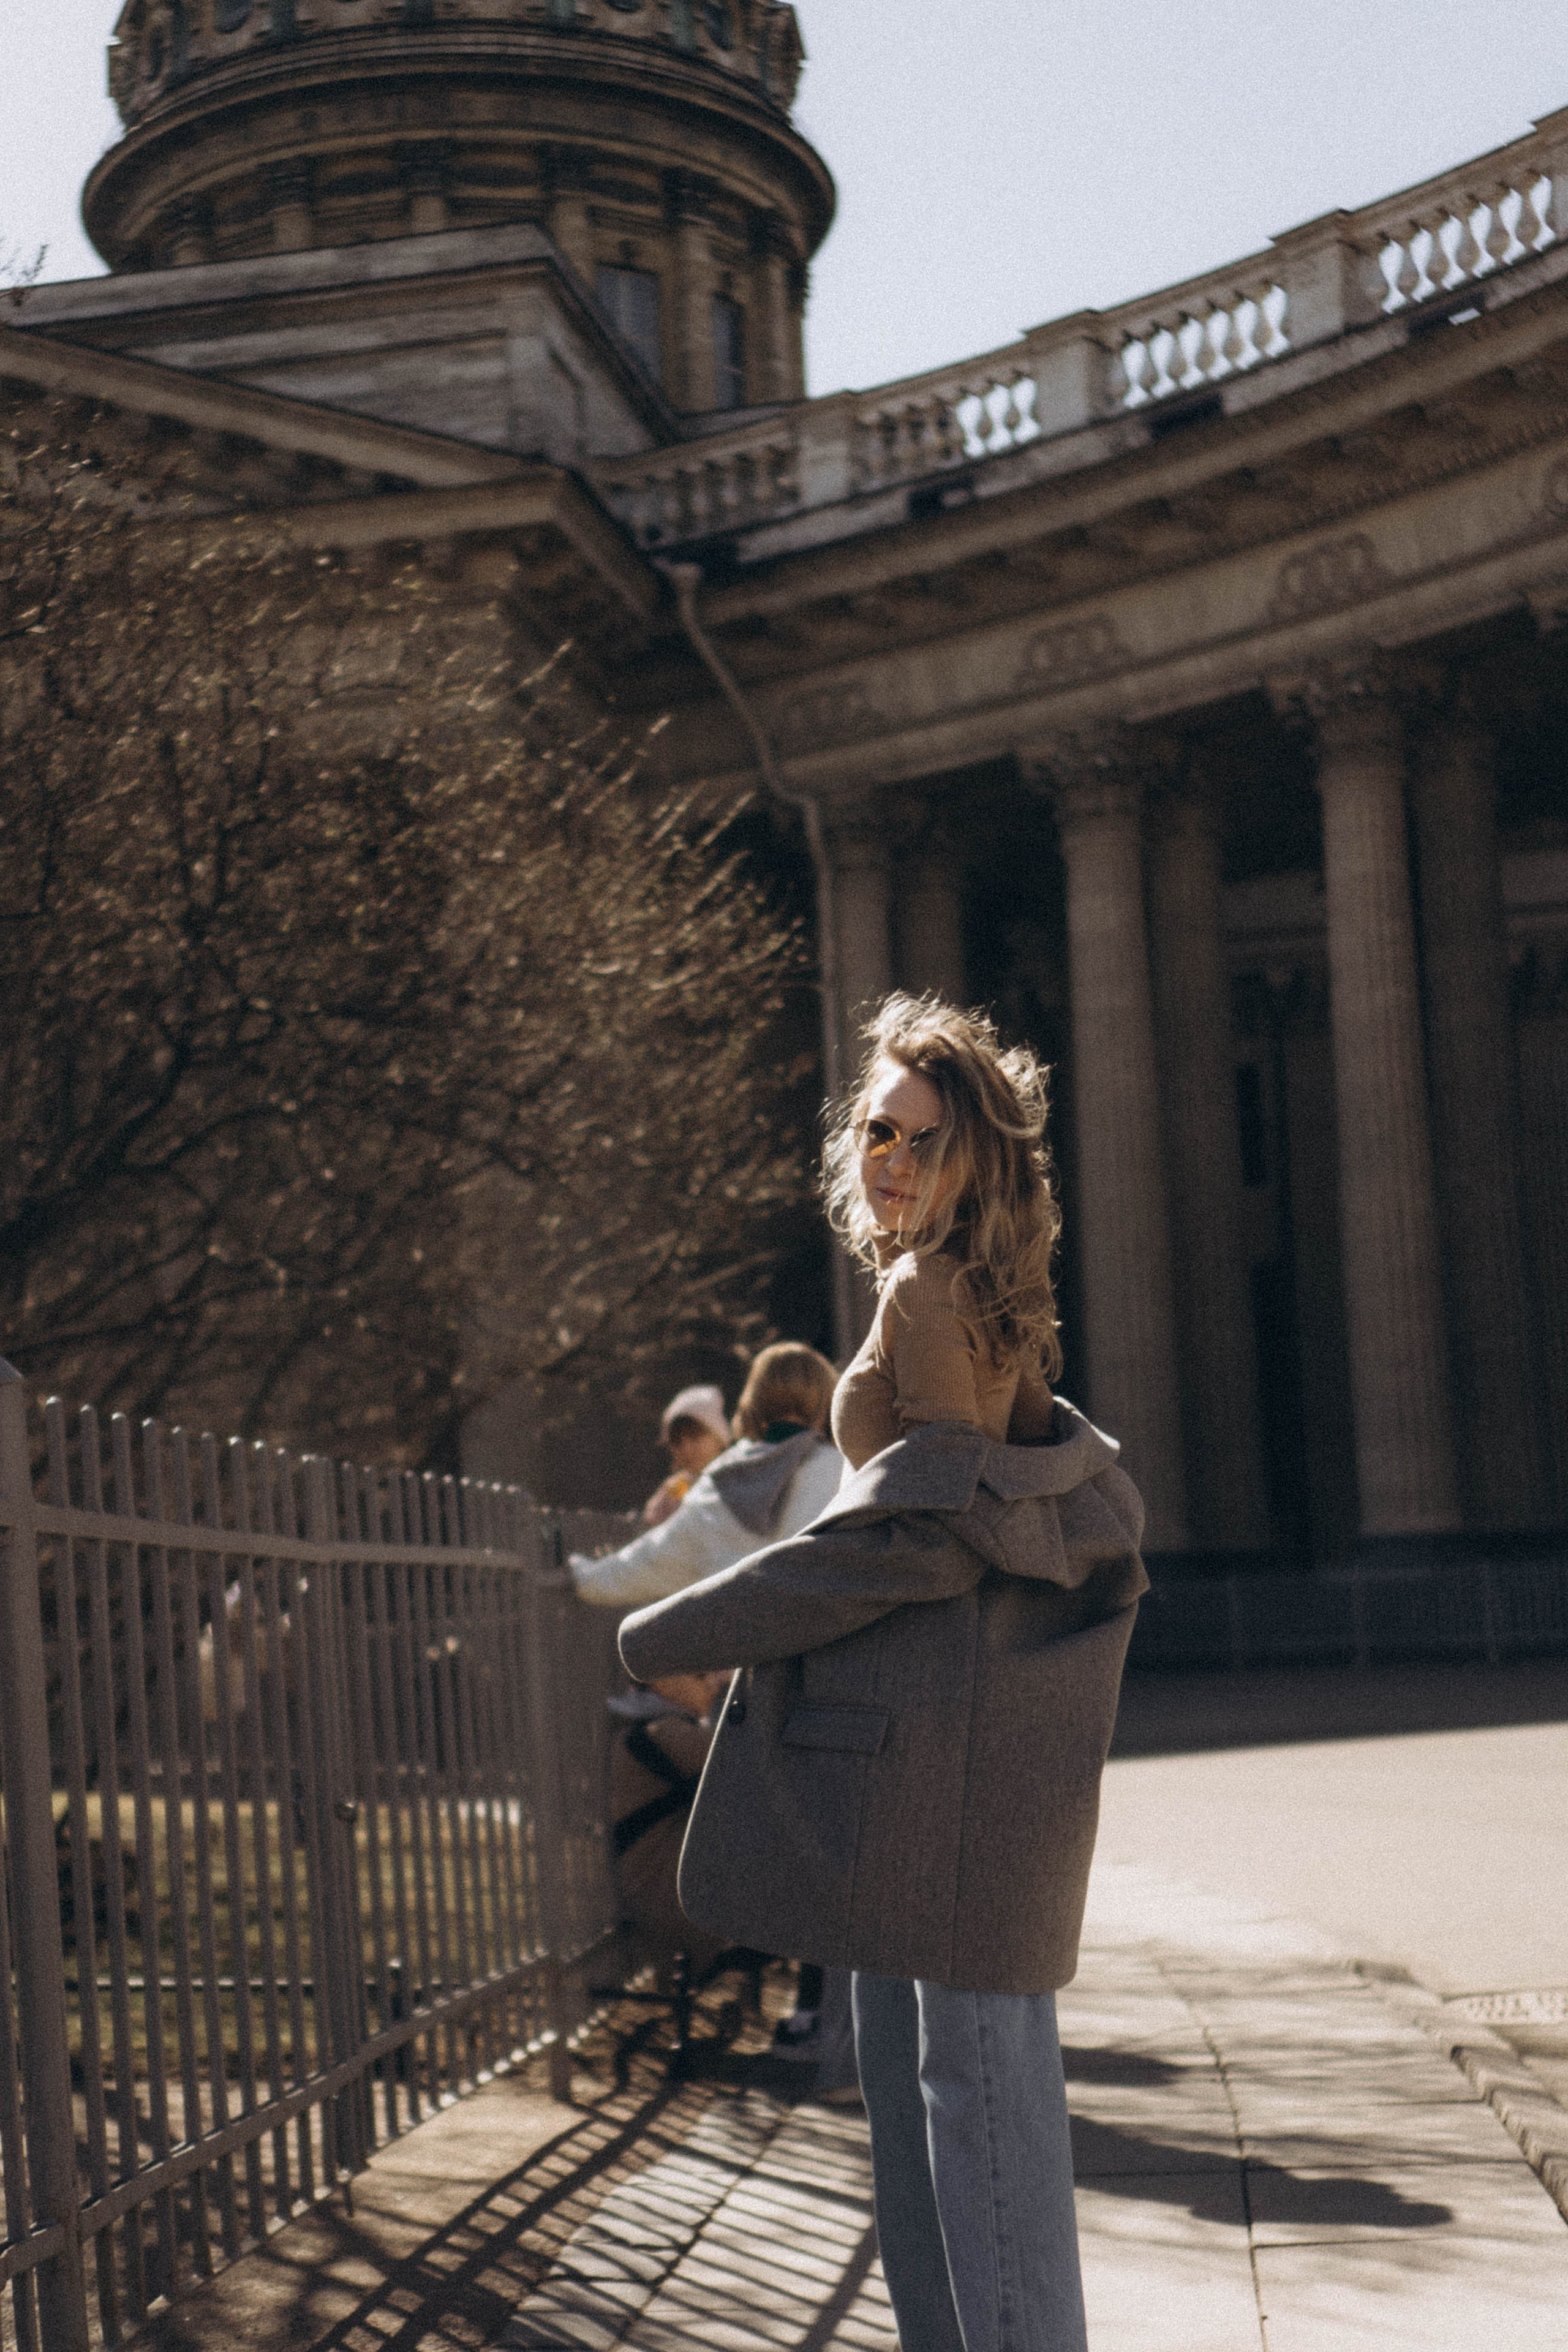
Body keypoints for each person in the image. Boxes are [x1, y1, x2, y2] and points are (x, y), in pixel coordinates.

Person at [617, 993, 1150, 2352]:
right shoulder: (983, 1292)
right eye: (875, 1131)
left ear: (976, 1155)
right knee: (957, 2105)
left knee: (965, 2106)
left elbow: (917, 1542)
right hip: (962, 1754)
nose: (889, 1160)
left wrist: (678, 1627)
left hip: (941, 1759)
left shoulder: (924, 1292)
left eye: (921, 1136)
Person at [571, 1343, 842, 1610]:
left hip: (738, 1647)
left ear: (755, 1399)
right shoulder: (844, 1474)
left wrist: (585, 1577)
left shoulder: (720, 1482)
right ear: (826, 1398)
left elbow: (651, 1559)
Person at [643, 1383, 733, 1527]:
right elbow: (652, 1523)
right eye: (677, 1441)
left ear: (719, 1437)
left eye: (695, 1437)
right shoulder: (681, 1485)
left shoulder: (738, 1478)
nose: (687, 1449)